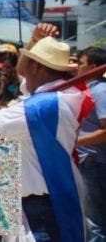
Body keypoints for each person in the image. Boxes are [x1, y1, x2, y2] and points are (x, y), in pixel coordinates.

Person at [0, 25, 90, 242]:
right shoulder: (59, 93)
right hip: (37, 202)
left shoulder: (44, 105)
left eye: (30, 62)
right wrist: (34, 41)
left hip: (41, 209)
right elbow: (21, 71)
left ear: (37, 67)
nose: (23, 70)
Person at [76, 46, 106, 241]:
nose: (77, 67)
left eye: (81, 63)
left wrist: (76, 141)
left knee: (94, 222)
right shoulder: (90, 89)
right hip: (87, 161)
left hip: (93, 162)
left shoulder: (101, 90)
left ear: (93, 67)